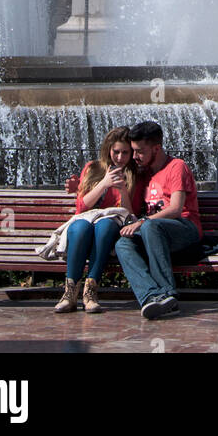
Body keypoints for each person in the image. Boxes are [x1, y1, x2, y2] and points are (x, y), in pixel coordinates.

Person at [115, 120, 202, 320]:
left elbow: (176, 209)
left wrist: (143, 222)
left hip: (185, 230)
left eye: (140, 151)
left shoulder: (176, 167)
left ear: (157, 148)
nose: (135, 156)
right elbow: (132, 213)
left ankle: (167, 294)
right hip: (153, 234)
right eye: (134, 151)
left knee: (150, 226)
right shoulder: (143, 173)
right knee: (123, 244)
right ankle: (151, 296)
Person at [55, 125, 145, 314]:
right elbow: (81, 206)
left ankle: (90, 291)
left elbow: (131, 214)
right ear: (108, 149)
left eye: (125, 153)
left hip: (113, 222)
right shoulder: (92, 168)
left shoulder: (135, 175)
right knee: (79, 228)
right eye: (116, 152)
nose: (120, 157)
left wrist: (122, 190)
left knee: (104, 225)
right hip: (86, 219)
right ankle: (70, 293)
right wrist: (104, 183)